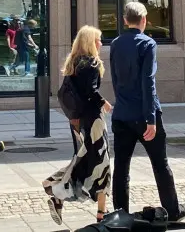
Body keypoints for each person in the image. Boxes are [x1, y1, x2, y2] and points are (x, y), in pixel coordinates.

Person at [110, 1, 185, 221]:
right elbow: (148, 82)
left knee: (121, 167)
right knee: (160, 164)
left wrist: (122, 103)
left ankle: (120, 213)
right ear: (144, 20)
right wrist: (150, 119)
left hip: (122, 114)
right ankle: (172, 210)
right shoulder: (148, 44)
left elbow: (116, 81)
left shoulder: (116, 43)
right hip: (144, 115)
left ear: (125, 20)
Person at [44, 26, 113, 226]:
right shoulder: (91, 63)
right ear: (90, 42)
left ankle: (57, 190)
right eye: (98, 40)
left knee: (85, 158)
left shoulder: (74, 62)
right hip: (94, 120)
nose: (101, 43)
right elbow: (91, 91)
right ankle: (100, 212)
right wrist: (105, 103)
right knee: (101, 162)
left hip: (78, 119)